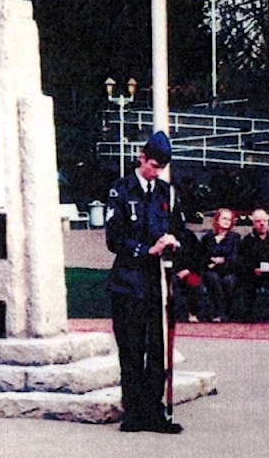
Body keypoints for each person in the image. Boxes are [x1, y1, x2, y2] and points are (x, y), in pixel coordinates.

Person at [105, 131, 184, 434]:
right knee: (132, 349)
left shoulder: (168, 193)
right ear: (141, 158)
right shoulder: (121, 191)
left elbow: (179, 229)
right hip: (128, 283)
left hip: (157, 284)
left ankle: (155, 411)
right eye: (153, 165)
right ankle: (134, 412)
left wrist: (174, 242)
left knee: (158, 349)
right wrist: (145, 250)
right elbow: (114, 240)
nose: (156, 172)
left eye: (161, 167)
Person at [237, 208, 269, 324]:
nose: (262, 224)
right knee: (246, 283)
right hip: (253, 273)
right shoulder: (247, 241)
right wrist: (253, 269)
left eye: (264, 221)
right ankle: (248, 317)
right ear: (253, 223)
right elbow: (242, 261)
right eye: (258, 221)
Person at [197, 208, 240, 322]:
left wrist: (223, 260)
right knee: (213, 278)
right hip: (210, 270)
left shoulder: (235, 237)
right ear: (217, 220)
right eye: (224, 218)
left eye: (229, 219)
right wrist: (211, 259)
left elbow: (235, 257)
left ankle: (225, 313)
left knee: (229, 281)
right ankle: (218, 312)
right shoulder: (207, 237)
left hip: (228, 269)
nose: (227, 221)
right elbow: (201, 256)